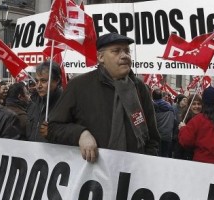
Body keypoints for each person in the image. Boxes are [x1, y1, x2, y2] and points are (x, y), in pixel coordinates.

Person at [48, 33, 160, 162]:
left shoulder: (140, 88)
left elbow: (153, 137)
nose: (124, 56)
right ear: (101, 57)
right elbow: (53, 127)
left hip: (134, 172)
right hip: (93, 173)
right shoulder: (79, 86)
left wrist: (148, 161)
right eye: (116, 51)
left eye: (127, 51)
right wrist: (80, 134)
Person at [28, 61, 63, 143]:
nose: (38, 86)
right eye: (37, 81)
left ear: (57, 80)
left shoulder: (66, 103)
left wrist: (54, 133)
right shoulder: (34, 102)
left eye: (43, 81)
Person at [173, 94, 202, 160]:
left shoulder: (205, 120)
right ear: (189, 105)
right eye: (194, 104)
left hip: (199, 157)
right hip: (185, 157)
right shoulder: (184, 119)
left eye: (199, 104)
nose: (196, 106)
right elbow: (179, 142)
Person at [152, 88, 176, 157]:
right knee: (164, 156)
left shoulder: (151, 107)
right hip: (167, 136)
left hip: (156, 137)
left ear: (152, 96)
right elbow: (174, 121)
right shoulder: (171, 107)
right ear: (161, 96)